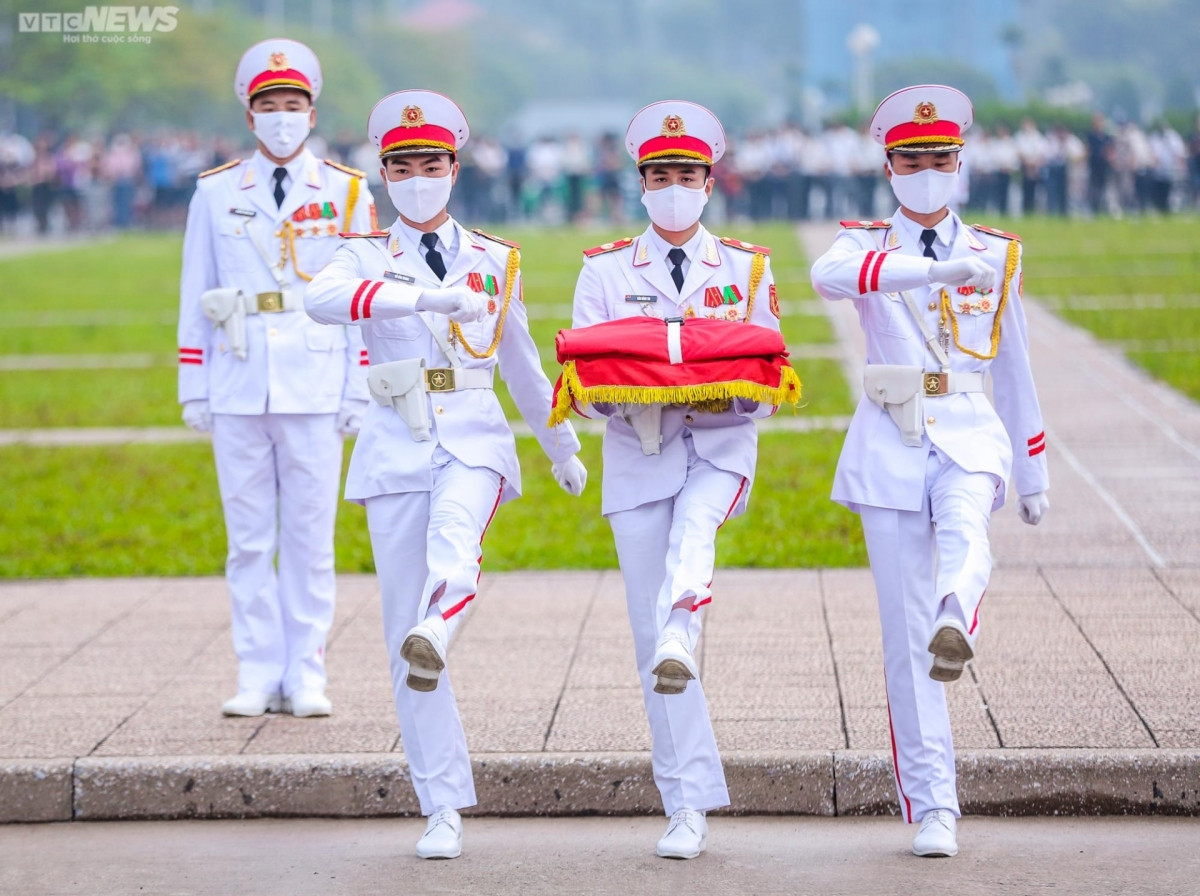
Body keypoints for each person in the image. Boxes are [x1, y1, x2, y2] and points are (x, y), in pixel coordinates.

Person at [305, 89, 587, 860]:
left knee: (456, 545)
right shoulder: (362, 252)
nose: (418, 179)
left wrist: (560, 447)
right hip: (396, 441)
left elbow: (522, 365)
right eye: (402, 167)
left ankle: (443, 620)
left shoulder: (495, 259)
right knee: (404, 633)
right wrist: (423, 296)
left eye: (431, 164)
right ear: (384, 174)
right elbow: (320, 299)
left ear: (455, 168)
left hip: (471, 431)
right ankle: (440, 805)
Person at [810, 84, 1050, 858]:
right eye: (911, 161)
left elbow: (1013, 364)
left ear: (960, 163)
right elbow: (826, 277)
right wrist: (930, 274)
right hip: (892, 436)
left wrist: (1034, 469)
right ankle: (933, 805)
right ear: (888, 168)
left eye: (940, 159)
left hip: (969, 427)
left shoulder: (996, 253)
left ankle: (958, 612)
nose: (926, 173)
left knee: (968, 533)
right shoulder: (861, 244)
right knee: (903, 640)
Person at [570, 100, 784, 860]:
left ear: (709, 182)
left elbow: (770, 377)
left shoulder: (747, 266)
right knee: (652, 645)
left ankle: (685, 614)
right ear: (640, 183)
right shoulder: (602, 269)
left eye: (687, 175)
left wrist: (721, 388)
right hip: (638, 455)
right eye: (659, 176)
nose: (673, 189)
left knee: (694, 538)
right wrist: (642, 385)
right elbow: (585, 388)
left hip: (720, 447)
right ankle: (684, 804)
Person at [177, 38, 375, 719]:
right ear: (250, 115)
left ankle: (307, 671)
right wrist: (194, 384)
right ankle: (257, 670)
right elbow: (196, 291)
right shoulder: (215, 191)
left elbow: (363, 298)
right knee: (249, 539)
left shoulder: (348, 190)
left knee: (310, 539)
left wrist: (359, 386)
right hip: (237, 377)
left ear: (312, 113)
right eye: (269, 105)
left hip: (316, 379)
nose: (282, 117)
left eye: (293, 104)